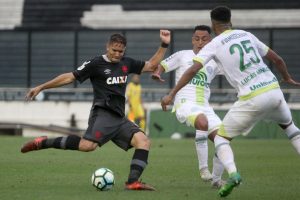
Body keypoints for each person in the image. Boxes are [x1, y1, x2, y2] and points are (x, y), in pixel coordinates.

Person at [161, 6, 300, 197]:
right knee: (292, 130)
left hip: (252, 97)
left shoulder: (215, 44)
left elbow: (192, 70)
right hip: (275, 91)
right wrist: (287, 78)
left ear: (213, 24)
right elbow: (277, 59)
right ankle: (216, 179)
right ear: (230, 21)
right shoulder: (247, 34)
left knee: (221, 138)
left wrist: (171, 94)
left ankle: (232, 174)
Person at [21, 30, 171, 191]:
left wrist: (164, 44)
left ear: (124, 50)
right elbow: (69, 77)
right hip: (103, 114)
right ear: (107, 47)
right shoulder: (95, 63)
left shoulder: (126, 63)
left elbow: (152, 65)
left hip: (119, 118)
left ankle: (132, 182)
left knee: (143, 141)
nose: (117, 54)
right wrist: (41, 87)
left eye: (121, 51)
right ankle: (43, 143)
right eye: (114, 50)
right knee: (87, 146)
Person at [151, 25, 224, 188]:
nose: (200, 42)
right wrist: (157, 73)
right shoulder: (183, 55)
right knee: (202, 122)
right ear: (192, 39)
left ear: (210, 41)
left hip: (204, 106)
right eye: (197, 38)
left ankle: (217, 180)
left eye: (204, 39)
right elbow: (162, 65)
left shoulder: (215, 61)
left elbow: (233, 70)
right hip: (185, 104)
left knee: (223, 140)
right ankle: (204, 170)